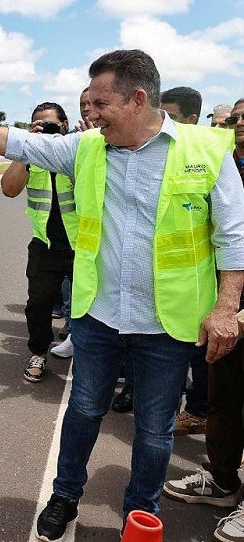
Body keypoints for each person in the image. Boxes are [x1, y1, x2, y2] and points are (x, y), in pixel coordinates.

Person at [0, 49, 244, 541]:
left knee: (154, 430)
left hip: (167, 325)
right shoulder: (87, 148)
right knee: (84, 411)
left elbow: (233, 237)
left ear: (138, 100)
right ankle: (65, 496)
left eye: (99, 103)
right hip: (98, 316)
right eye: (88, 103)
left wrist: (225, 307)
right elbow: (18, 142)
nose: (89, 113)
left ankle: (140, 516)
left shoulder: (207, 151)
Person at [164, 97, 244, 542]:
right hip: (228, 301)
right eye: (235, 117)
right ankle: (223, 480)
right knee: (224, 398)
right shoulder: (223, 162)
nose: (237, 123)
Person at [0, 102, 76, 382]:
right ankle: (38, 354)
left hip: (82, 245)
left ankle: (89, 356)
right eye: (40, 126)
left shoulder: (79, 152)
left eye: (52, 125)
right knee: (38, 305)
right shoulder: (31, 157)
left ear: (65, 126)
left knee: (90, 307)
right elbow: (9, 189)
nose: (48, 130)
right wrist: (26, 148)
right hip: (45, 245)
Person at [159, 86, 211, 435]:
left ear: (192, 120)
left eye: (172, 117)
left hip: (210, 278)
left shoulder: (209, 158)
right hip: (176, 285)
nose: (162, 123)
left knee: (202, 354)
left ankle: (198, 410)